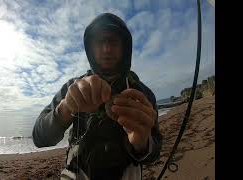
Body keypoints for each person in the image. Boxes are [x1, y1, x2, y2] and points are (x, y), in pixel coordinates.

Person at [32, 13, 162, 180]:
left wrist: (142, 143)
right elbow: (39, 139)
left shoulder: (142, 94)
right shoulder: (73, 87)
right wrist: (65, 108)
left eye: (113, 41)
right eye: (99, 42)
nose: (106, 48)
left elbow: (155, 151)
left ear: (125, 47)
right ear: (90, 49)